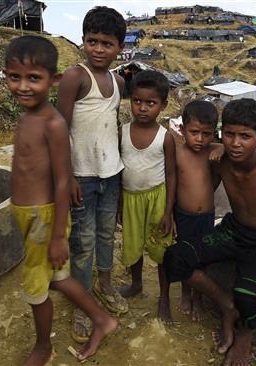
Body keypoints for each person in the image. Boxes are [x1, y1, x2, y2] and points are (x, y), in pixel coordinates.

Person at [4, 36, 117, 365]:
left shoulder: (53, 123)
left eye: (33, 78)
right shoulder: (27, 116)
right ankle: (101, 319)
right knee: (60, 279)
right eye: (14, 77)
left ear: (53, 80)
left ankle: (43, 347)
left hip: (44, 219)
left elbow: (63, 179)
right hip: (29, 214)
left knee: (36, 288)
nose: (23, 87)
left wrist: (56, 237)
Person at [164, 98, 256, 366]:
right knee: (174, 258)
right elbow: (194, 145)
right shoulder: (219, 157)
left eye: (245, 136)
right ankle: (226, 305)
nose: (236, 143)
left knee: (248, 294)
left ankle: (245, 336)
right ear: (221, 132)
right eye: (229, 134)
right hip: (233, 230)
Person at [56, 6, 127, 341]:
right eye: (92, 41)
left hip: (111, 175)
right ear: (83, 41)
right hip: (82, 176)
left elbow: (110, 126)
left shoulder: (119, 82)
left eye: (107, 43)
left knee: (105, 235)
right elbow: (60, 130)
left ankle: (105, 285)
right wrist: (67, 177)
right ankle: (83, 304)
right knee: (82, 242)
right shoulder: (75, 77)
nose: (99, 49)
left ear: (120, 47)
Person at [117, 70, 176, 323]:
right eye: (137, 101)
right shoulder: (122, 132)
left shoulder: (166, 138)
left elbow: (172, 175)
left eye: (150, 103)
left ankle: (164, 296)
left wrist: (168, 212)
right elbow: (118, 170)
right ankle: (136, 283)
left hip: (157, 199)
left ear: (162, 105)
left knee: (162, 250)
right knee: (133, 246)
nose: (142, 108)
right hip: (130, 199)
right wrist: (119, 203)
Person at [173, 100, 224, 321]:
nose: (200, 139)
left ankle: (198, 298)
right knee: (185, 256)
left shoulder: (213, 151)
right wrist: (170, 216)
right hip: (183, 216)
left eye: (207, 133)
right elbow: (172, 186)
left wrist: (222, 146)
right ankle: (186, 292)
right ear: (182, 129)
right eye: (194, 132)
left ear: (214, 133)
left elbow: (230, 150)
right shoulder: (177, 154)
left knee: (203, 258)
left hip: (206, 216)